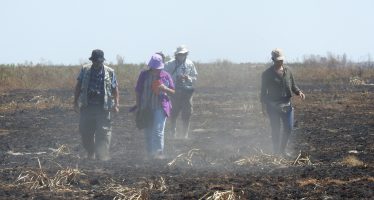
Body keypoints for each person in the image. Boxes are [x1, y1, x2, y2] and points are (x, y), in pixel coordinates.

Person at [73, 49, 119, 161]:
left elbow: (115, 89)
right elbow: (78, 86)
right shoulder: (85, 70)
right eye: (95, 61)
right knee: (85, 132)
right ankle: (91, 151)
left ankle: (102, 154)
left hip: (103, 108)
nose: (97, 63)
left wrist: (116, 104)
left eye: (99, 61)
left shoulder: (110, 72)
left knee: (103, 133)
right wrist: (75, 102)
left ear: (102, 60)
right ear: (92, 60)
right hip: (87, 106)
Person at [260, 48, 305, 157]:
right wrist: (263, 107)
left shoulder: (288, 71)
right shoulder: (267, 74)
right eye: (278, 60)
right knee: (276, 129)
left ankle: (282, 150)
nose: (280, 62)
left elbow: (293, 85)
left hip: (287, 105)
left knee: (288, 127)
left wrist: (299, 92)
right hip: (273, 106)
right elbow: (263, 93)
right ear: (273, 59)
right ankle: (276, 152)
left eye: (282, 60)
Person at [135, 53, 175, 159]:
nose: (157, 70)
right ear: (151, 66)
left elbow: (173, 91)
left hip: (160, 107)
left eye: (158, 68)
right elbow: (138, 91)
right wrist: (139, 107)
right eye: (155, 68)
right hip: (146, 107)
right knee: (148, 132)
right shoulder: (143, 75)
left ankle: (159, 154)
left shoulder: (166, 75)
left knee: (157, 131)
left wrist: (164, 88)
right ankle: (150, 154)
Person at [165, 45, 198, 139]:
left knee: (187, 113)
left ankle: (185, 134)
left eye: (184, 54)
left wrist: (188, 78)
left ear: (186, 54)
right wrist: (175, 79)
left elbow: (195, 77)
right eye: (180, 54)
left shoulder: (190, 63)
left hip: (187, 92)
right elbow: (164, 76)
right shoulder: (169, 64)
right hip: (174, 92)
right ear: (176, 54)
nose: (182, 55)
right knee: (173, 113)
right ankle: (172, 133)